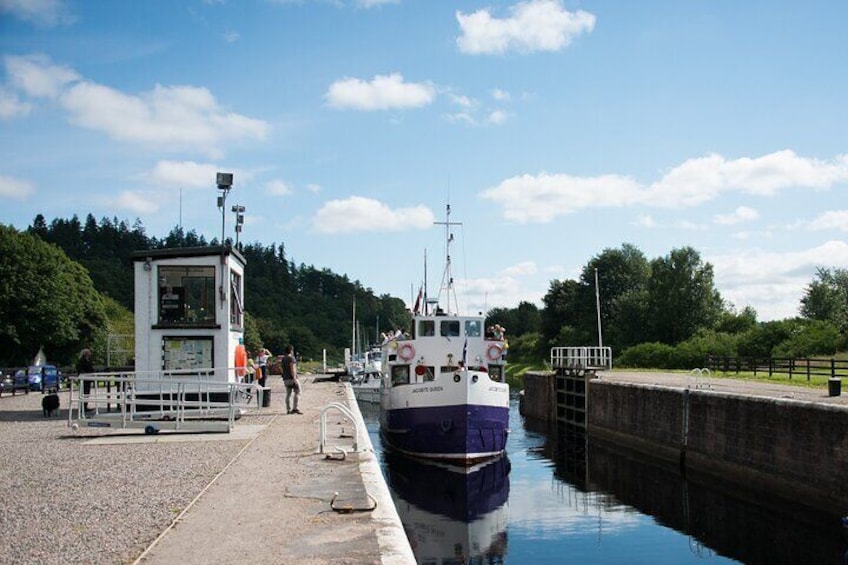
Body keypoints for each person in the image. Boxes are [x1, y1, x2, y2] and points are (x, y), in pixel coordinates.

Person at [280, 345, 301, 415]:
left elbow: (282, 369)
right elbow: (293, 368)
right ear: (291, 350)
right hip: (292, 378)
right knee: (297, 392)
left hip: (286, 379)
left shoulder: (283, 359)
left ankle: (288, 409)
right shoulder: (291, 358)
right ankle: (295, 408)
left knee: (288, 394)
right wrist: (294, 378)